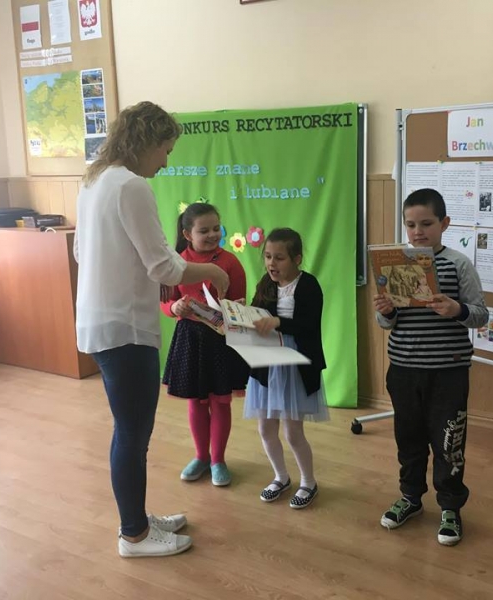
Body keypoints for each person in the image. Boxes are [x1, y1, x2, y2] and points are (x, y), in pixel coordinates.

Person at [74, 101, 229, 558]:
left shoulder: (94, 180)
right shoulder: (131, 185)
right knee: (133, 433)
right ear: (146, 142)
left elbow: (83, 253)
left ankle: (137, 519)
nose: (166, 161)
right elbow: (164, 267)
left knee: (130, 430)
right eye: (166, 149)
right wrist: (212, 271)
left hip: (100, 323)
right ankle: (134, 535)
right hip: (124, 329)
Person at [374, 188, 488, 546]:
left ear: (444, 223)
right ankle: (410, 497)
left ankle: (450, 507)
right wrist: (386, 311)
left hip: (447, 372)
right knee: (408, 438)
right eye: (411, 225)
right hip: (403, 369)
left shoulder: (458, 264)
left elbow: (480, 314)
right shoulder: (394, 263)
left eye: (426, 223)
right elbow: (386, 323)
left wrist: (457, 310)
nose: (418, 231)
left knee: (448, 441)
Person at [161, 202, 249, 487]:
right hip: (190, 339)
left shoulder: (230, 262)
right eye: (204, 231)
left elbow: (240, 302)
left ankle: (217, 460)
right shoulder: (176, 262)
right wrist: (174, 308)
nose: (212, 235)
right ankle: (201, 456)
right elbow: (165, 302)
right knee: (196, 403)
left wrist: (235, 308)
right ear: (187, 234)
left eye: (216, 228)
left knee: (220, 402)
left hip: (221, 340)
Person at [244, 228, 328, 510]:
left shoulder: (309, 285)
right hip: (267, 365)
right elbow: (256, 315)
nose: (272, 263)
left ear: (297, 259)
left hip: (294, 365)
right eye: (268, 256)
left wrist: (278, 322)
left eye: (279, 258)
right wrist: (242, 314)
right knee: (265, 428)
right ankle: (280, 476)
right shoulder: (265, 284)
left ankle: (309, 482)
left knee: (293, 432)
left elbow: (309, 325)